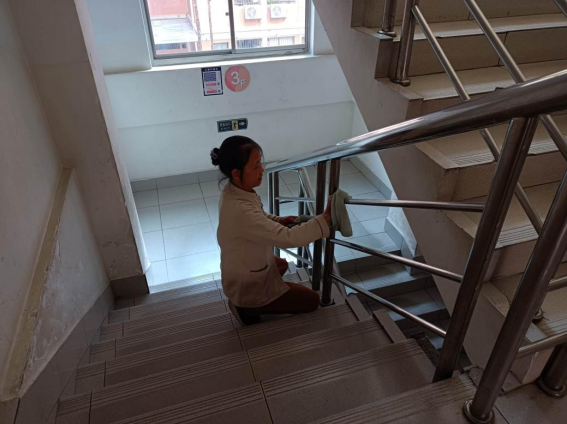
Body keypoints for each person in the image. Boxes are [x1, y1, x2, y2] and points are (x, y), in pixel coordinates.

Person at [210, 136, 332, 325]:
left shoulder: (232, 190)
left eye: (260, 162)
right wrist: (324, 220)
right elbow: (289, 238)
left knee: (281, 264)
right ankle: (248, 307)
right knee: (312, 301)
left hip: (238, 268)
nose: (262, 170)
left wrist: (279, 220)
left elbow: (257, 216)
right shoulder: (240, 210)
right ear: (236, 173)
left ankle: (253, 298)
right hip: (245, 287)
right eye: (255, 166)